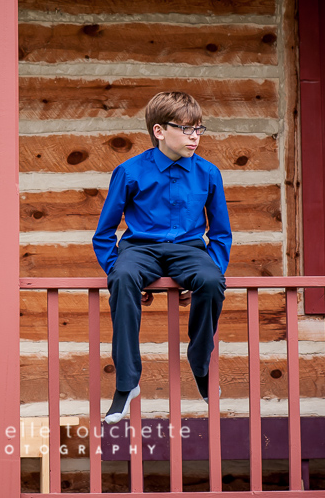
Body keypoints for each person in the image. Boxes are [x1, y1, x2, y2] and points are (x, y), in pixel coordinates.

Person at [92, 91, 232, 424]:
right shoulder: (129, 171)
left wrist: (206, 273)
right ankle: (127, 383)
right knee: (123, 277)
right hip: (140, 249)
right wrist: (117, 272)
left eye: (198, 128)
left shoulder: (208, 173)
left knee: (212, 280)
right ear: (159, 131)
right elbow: (104, 233)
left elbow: (221, 233)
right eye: (185, 129)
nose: (194, 136)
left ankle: (200, 366)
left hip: (189, 250)